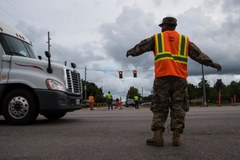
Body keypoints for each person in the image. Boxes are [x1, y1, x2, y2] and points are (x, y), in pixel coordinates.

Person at [126, 17, 222, 146]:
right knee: (179, 108)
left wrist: (131, 51)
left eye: (162, 26)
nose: (161, 28)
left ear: (165, 26)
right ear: (175, 26)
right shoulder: (184, 40)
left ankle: (158, 137)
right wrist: (211, 64)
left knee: (160, 107)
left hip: (162, 78)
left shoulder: (157, 38)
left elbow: (141, 46)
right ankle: (176, 138)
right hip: (179, 79)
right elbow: (199, 54)